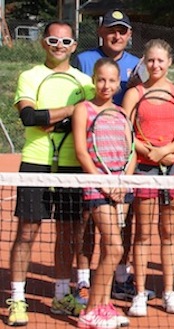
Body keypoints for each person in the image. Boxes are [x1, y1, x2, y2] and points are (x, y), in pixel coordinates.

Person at [7, 21, 94, 326]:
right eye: (53, 40)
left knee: (68, 234)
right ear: (44, 42)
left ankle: (61, 295)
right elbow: (30, 117)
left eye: (65, 41)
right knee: (27, 232)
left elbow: (87, 121)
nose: (59, 45)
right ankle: (17, 298)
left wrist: (53, 118)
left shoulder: (85, 82)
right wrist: (70, 111)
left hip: (72, 166)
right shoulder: (30, 76)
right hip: (35, 164)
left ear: (73, 45)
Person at [72, 9, 151, 302]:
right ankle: (83, 282)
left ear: (129, 35)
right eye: (111, 30)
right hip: (93, 160)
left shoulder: (137, 65)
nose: (116, 36)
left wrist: (124, 177)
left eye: (122, 31)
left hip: (121, 158)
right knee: (87, 224)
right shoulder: (82, 59)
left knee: (122, 229)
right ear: (101, 31)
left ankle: (118, 279)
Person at [121, 39, 174, 317]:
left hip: (172, 170)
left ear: (169, 62)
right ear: (144, 62)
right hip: (144, 170)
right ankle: (139, 293)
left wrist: (167, 151)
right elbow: (126, 131)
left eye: (161, 60)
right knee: (141, 234)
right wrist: (150, 151)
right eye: (151, 60)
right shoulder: (135, 94)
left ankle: (168, 292)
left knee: (168, 234)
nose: (156, 65)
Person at [72, 58, 134, 328]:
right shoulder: (82, 110)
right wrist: (104, 182)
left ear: (118, 82)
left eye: (111, 80)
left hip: (121, 188)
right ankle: (90, 309)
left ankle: (105, 304)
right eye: (101, 79)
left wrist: (124, 182)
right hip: (95, 187)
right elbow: (81, 152)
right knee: (115, 247)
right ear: (93, 79)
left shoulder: (121, 113)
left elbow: (131, 151)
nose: (106, 85)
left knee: (113, 247)